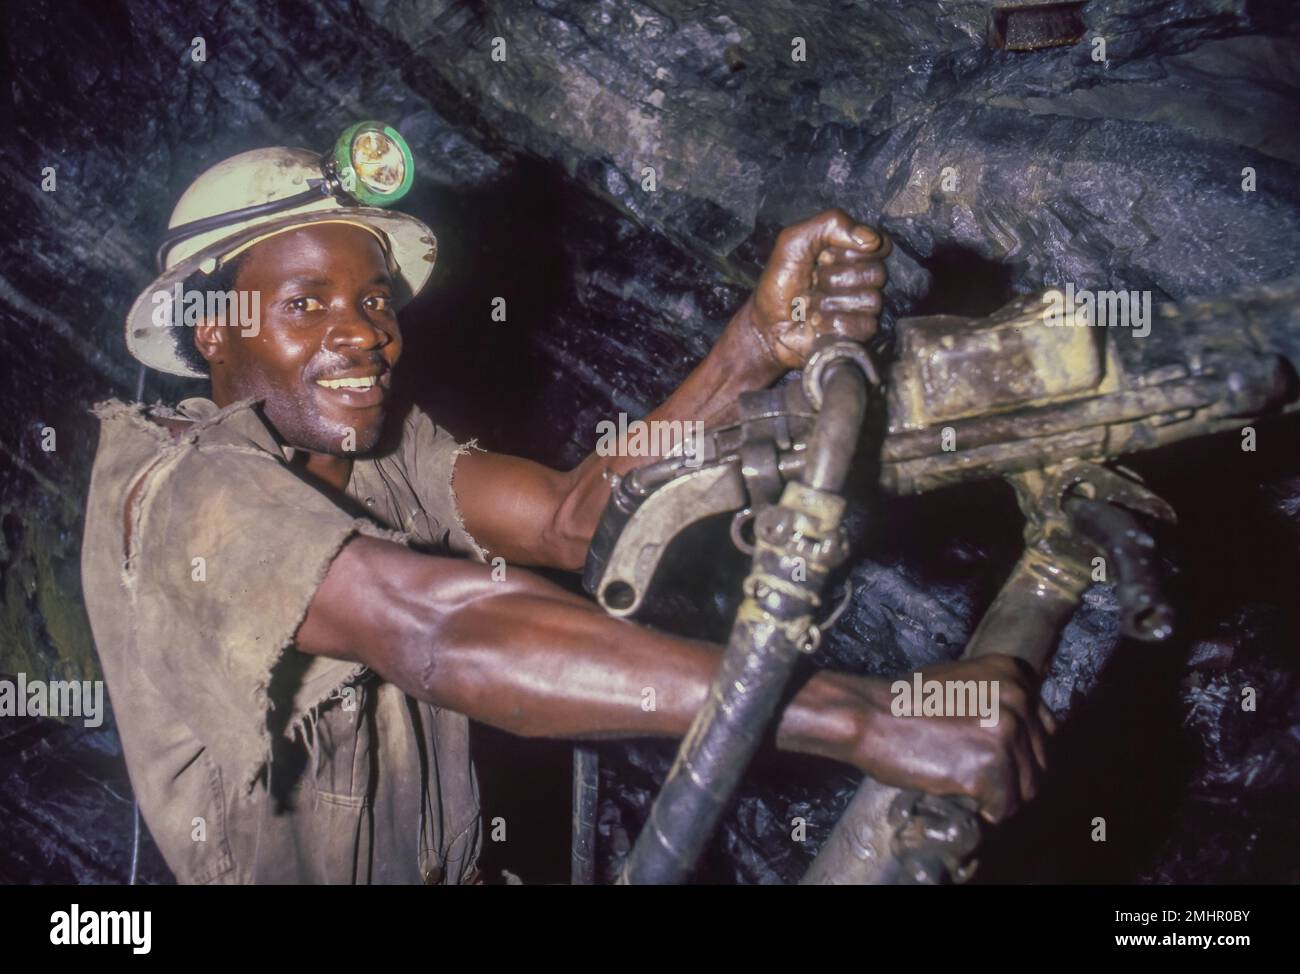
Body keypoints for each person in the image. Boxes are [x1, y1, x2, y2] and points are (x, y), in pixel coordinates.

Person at [81, 140, 1051, 884]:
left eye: (375, 300)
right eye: (308, 303)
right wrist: (864, 712)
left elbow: (573, 519)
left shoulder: (370, 451)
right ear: (215, 330)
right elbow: (444, 627)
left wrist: (751, 345)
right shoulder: (182, 491)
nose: (365, 334)